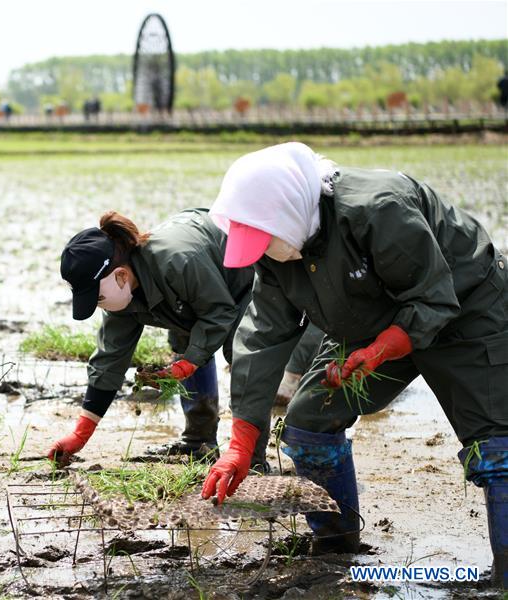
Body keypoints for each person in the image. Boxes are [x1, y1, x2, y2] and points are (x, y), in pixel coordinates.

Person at [199, 142, 507, 587]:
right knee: (308, 419)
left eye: (264, 240)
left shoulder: (378, 207)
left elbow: (434, 296)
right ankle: (338, 545)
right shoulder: (279, 248)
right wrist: (242, 441)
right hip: (367, 320)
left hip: (465, 308)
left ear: (287, 210)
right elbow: (262, 333)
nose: (263, 251)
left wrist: (384, 349)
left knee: (495, 445)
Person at [47, 210, 320, 466]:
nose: (97, 306)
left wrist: (190, 362)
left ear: (120, 275)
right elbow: (109, 360)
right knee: (184, 338)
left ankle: (251, 458)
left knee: (243, 357)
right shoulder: (121, 297)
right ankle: (199, 442)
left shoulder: (178, 262)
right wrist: (80, 435)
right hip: (195, 291)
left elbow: (219, 313)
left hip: (243, 281)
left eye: (97, 299)